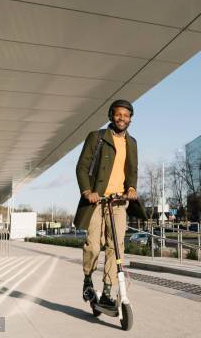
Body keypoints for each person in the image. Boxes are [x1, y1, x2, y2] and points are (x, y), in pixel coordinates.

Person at [73, 99, 145, 310]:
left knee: (116, 246)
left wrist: (131, 187)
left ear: (130, 119)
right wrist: (88, 192)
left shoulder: (132, 142)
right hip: (97, 200)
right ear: (110, 115)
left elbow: (133, 170)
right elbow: (81, 167)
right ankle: (88, 279)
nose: (122, 118)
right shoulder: (96, 137)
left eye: (126, 115)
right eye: (118, 114)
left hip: (118, 202)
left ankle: (107, 291)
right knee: (94, 246)